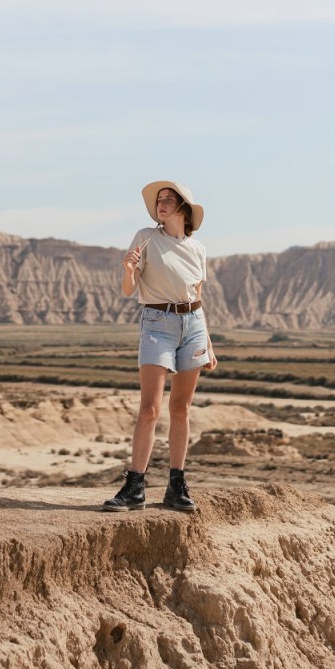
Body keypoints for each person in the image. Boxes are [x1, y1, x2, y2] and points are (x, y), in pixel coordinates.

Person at [103, 180, 216, 513]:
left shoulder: (198, 249)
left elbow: (197, 297)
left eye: (168, 199)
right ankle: (134, 486)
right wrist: (127, 269)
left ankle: (176, 486)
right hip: (157, 323)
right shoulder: (146, 237)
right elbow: (128, 289)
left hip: (193, 325)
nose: (161, 204)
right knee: (150, 409)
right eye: (159, 200)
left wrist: (207, 340)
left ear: (183, 209)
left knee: (180, 408)